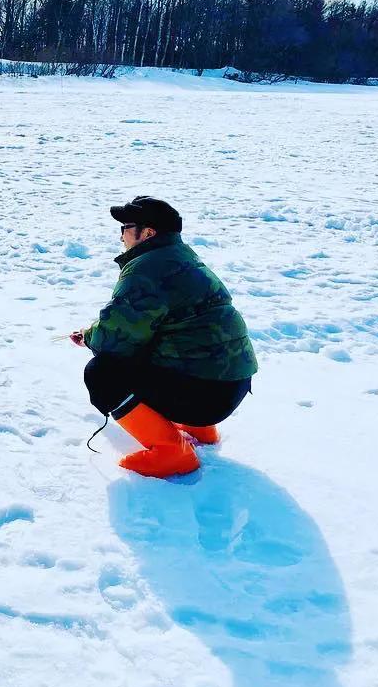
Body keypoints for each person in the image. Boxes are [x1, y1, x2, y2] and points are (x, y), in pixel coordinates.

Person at [70, 196, 257, 478]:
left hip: (206, 396)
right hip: (234, 385)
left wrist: (89, 337)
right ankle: (200, 432)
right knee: (158, 348)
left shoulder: (146, 269)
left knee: (102, 374)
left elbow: (114, 339)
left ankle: (171, 453)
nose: (121, 235)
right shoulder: (183, 257)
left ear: (148, 233)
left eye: (126, 227)